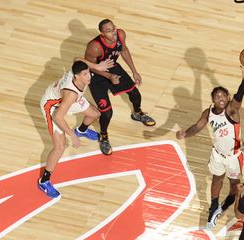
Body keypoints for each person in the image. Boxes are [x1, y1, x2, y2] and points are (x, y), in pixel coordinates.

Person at [176, 68, 244, 229]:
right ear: (213, 100)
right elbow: (197, 127)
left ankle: (229, 203)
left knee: (234, 185)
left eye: (224, 96)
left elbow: (239, 98)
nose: (221, 98)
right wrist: (185, 134)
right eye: (217, 96)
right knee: (217, 179)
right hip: (217, 154)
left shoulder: (231, 110)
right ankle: (214, 206)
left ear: (228, 98)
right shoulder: (208, 113)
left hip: (234, 156)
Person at [84, 18, 156, 156]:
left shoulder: (120, 35)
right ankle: (103, 136)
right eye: (108, 31)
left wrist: (134, 71)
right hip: (96, 76)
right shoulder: (95, 46)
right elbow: (89, 66)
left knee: (135, 94)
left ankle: (137, 113)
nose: (113, 32)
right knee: (107, 112)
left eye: (114, 28)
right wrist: (109, 77)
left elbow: (124, 50)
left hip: (113, 67)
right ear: (102, 34)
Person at [37, 60, 101, 199]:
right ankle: (44, 181)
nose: (89, 76)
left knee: (95, 114)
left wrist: (96, 66)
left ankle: (82, 130)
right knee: (59, 147)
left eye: (88, 72)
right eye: (85, 74)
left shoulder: (76, 71)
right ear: (77, 76)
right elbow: (58, 117)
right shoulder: (71, 93)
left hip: (65, 101)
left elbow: (77, 59)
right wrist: (72, 135)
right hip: (51, 107)